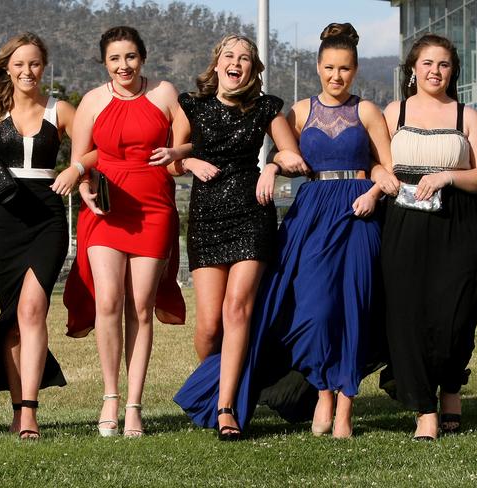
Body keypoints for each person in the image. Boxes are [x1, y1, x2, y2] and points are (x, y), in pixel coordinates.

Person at [171, 34, 305, 441]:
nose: (236, 62)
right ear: (216, 64)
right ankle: (214, 388)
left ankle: (228, 405)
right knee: (210, 324)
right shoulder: (191, 105)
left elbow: (293, 157)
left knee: (236, 310)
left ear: (252, 70)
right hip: (207, 217)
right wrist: (190, 159)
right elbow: (169, 162)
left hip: (251, 215)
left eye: (244, 58)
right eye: (229, 56)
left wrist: (271, 168)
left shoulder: (266, 107)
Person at [63, 26, 185, 438]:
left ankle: (135, 405)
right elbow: (81, 159)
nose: (123, 65)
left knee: (140, 306)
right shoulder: (93, 102)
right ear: (105, 63)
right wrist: (83, 188)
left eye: (130, 56)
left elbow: (189, 141)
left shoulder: (165, 93)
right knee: (109, 302)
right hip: (106, 211)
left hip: (154, 208)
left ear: (143, 57)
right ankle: (110, 398)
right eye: (115, 58)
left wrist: (175, 152)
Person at [0, 32, 79, 440]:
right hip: (3, 221)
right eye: (20, 64)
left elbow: (95, 149)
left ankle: (30, 412)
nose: (28, 71)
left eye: (35, 64)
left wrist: (75, 169)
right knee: (11, 321)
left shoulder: (61, 110)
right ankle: (17, 408)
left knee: (32, 309)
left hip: (47, 218)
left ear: (44, 67)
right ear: (8, 67)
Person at [381, 33, 477, 441]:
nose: (435, 71)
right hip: (403, 227)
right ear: (413, 69)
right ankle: (424, 410)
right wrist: (381, 177)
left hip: (459, 226)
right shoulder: (393, 112)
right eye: (428, 63)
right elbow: (374, 162)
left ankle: (451, 388)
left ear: (453, 71)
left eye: (444, 64)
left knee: (456, 315)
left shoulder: (466, 115)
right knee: (408, 316)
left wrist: (449, 174)